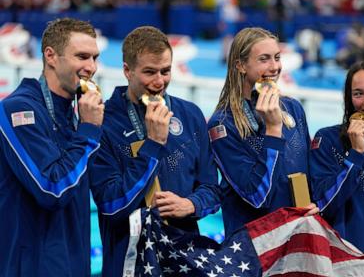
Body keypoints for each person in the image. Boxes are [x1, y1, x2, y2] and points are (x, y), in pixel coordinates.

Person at [90, 26, 220, 276]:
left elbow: (212, 189)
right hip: (128, 262)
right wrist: (153, 144)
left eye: (166, 71)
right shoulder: (104, 122)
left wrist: (190, 204)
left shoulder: (190, 115)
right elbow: (111, 204)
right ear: (127, 71)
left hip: (184, 259)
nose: (159, 82)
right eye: (149, 72)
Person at [0, 18, 104, 276]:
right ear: (51, 56)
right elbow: (52, 189)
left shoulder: (74, 113)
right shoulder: (18, 110)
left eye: (94, 57)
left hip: (74, 264)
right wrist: (89, 132)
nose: (91, 67)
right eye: (82, 56)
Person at [208, 27, 318, 237]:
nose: (275, 67)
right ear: (240, 65)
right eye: (264, 59)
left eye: (277, 57)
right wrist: (273, 130)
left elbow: (309, 171)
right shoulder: (223, 125)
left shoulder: (293, 108)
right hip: (256, 246)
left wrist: (317, 202)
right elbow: (257, 196)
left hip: (296, 236)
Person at [310, 60, 364, 253]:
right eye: (358, 94)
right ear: (349, 99)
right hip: (344, 261)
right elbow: (323, 205)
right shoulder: (327, 139)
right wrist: (355, 155)